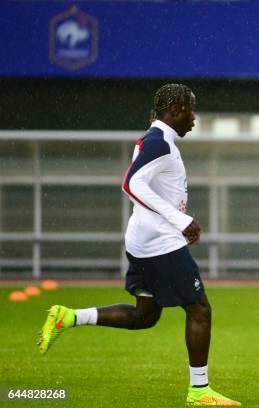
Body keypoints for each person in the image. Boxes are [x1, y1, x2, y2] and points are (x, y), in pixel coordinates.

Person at [37, 84, 240, 407]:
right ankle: (200, 391)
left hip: (143, 240)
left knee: (145, 317)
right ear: (174, 110)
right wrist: (179, 220)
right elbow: (131, 183)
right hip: (160, 242)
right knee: (200, 310)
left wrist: (178, 219)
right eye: (190, 109)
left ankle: (69, 317)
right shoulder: (159, 142)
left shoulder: (156, 139)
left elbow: (145, 186)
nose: (194, 118)